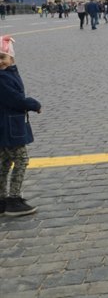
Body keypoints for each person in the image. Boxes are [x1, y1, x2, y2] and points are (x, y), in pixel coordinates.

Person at [0, 35, 42, 217]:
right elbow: (14, 99)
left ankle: (2, 200)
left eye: (2, 57)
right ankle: (13, 200)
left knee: (4, 163)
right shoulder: (2, 77)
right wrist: (33, 104)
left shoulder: (8, 73)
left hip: (8, 125)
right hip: (9, 128)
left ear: (11, 58)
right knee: (21, 160)